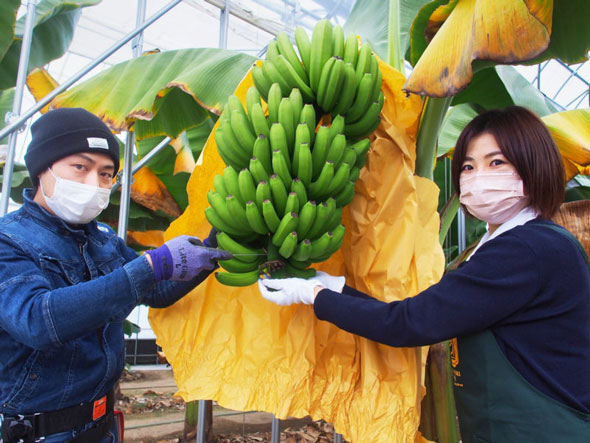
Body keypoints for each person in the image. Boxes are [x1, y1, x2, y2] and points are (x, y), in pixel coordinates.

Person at [258, 106, 590, 442]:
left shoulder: (526, 250)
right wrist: (335, 287)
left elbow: (410, 322)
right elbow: (425, 313)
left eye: (496, 163)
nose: (478, 177)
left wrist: (315, 295)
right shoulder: (523, 243)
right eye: (468, 166)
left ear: (534, 166)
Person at [0, 108, 231, 443]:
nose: (94, 183)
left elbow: (156, 291)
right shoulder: (8, 240)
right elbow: (37, 320)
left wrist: (210, 253)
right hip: (39, 432)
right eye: (80, 167)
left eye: (106, 174)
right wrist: (151, 264)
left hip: (101, 425)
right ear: (42, 169)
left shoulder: (104, 240)